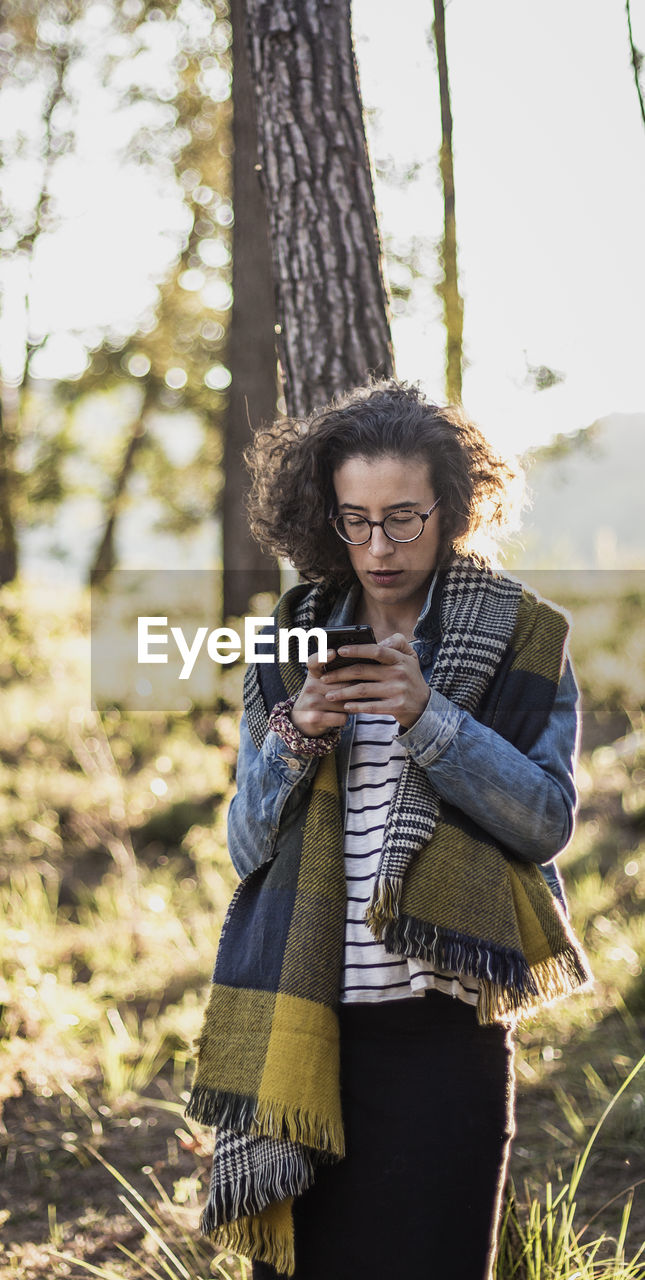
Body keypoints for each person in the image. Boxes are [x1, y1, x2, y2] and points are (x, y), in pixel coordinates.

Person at [185, 380, 590, 1280]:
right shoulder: (289, 641)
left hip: (443, 1033)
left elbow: (544, 822)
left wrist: (428, 719)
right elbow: (244, 851)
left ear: (452, 507)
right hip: (303, 1021)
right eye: (353, 520)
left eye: (403, 519)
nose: (377, 547)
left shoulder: (523, 633)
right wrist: (295, 740)